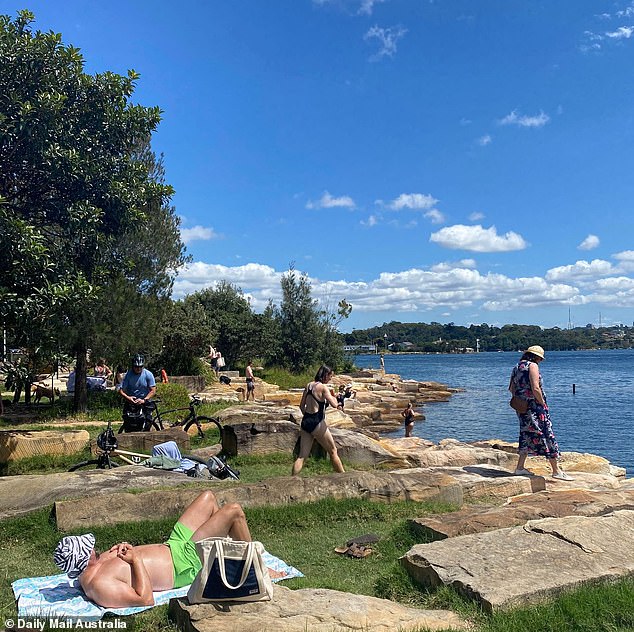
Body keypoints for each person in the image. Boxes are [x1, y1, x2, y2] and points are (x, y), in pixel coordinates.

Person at [53, 491, 277, 609]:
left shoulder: (93, 566)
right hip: (184, 562)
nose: (94, 547)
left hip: (174, 544)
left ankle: (224, 556)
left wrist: (122, 548)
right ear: (84, 559)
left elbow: (119, 563)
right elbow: (145, 599)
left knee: (208, 497)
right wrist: (136, 559)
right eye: (89, 548)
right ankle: (256, 569)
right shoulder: (99, 586)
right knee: (234, 511)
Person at [508, 345, 574, 481]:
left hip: (522, 407)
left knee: (526, 434)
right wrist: (542, 402)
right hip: (535, 406)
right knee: (546, 434)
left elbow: (511, 388)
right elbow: (535, 387)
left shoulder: (517, 366)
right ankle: (556, 470)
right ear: (536, 356)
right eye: (540, 358)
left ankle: (520, 468)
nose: (541, 361)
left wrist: (521, 399)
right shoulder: (532, 366)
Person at [292, 365, 345, 476]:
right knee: (333, 451)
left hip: (306, 421)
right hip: (317, 422)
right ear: (325, 375)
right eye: (330, 376)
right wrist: (336, 397)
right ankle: (344, 477)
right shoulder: (323, 388)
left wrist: (308, 417)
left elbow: (301, 406)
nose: (330, 378)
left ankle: (292, 479)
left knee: (302, 456)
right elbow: (335, 404)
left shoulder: (308, 386)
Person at [119, 354, 156, 431]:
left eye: (140, 367)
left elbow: (153, 390)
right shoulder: (128, 375)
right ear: (133, 366)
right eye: (136, 367)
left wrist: (144, 400)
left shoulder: (148, 374)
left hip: (144, 401)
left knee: (147, 423)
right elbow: (121, 390)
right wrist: (128, 398)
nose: (138, 369)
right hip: (131, 402)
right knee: (129, 423)